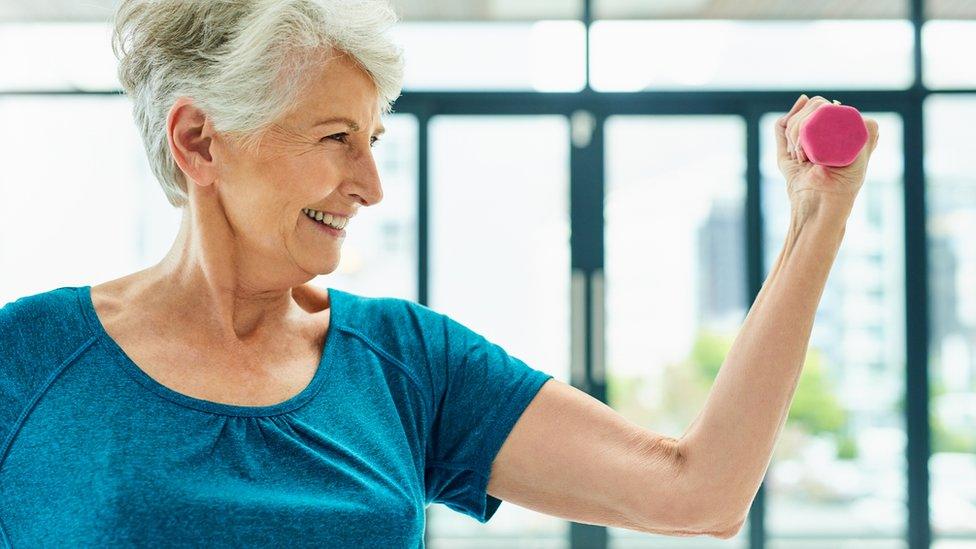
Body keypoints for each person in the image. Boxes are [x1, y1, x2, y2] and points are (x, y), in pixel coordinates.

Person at [0, 0, 879, 547]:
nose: (371, 185)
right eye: (335, 139)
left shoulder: (407, 362)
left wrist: (814, 223)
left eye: (372, 141)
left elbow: (701, 493)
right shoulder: (28, 359)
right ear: (198, 141)